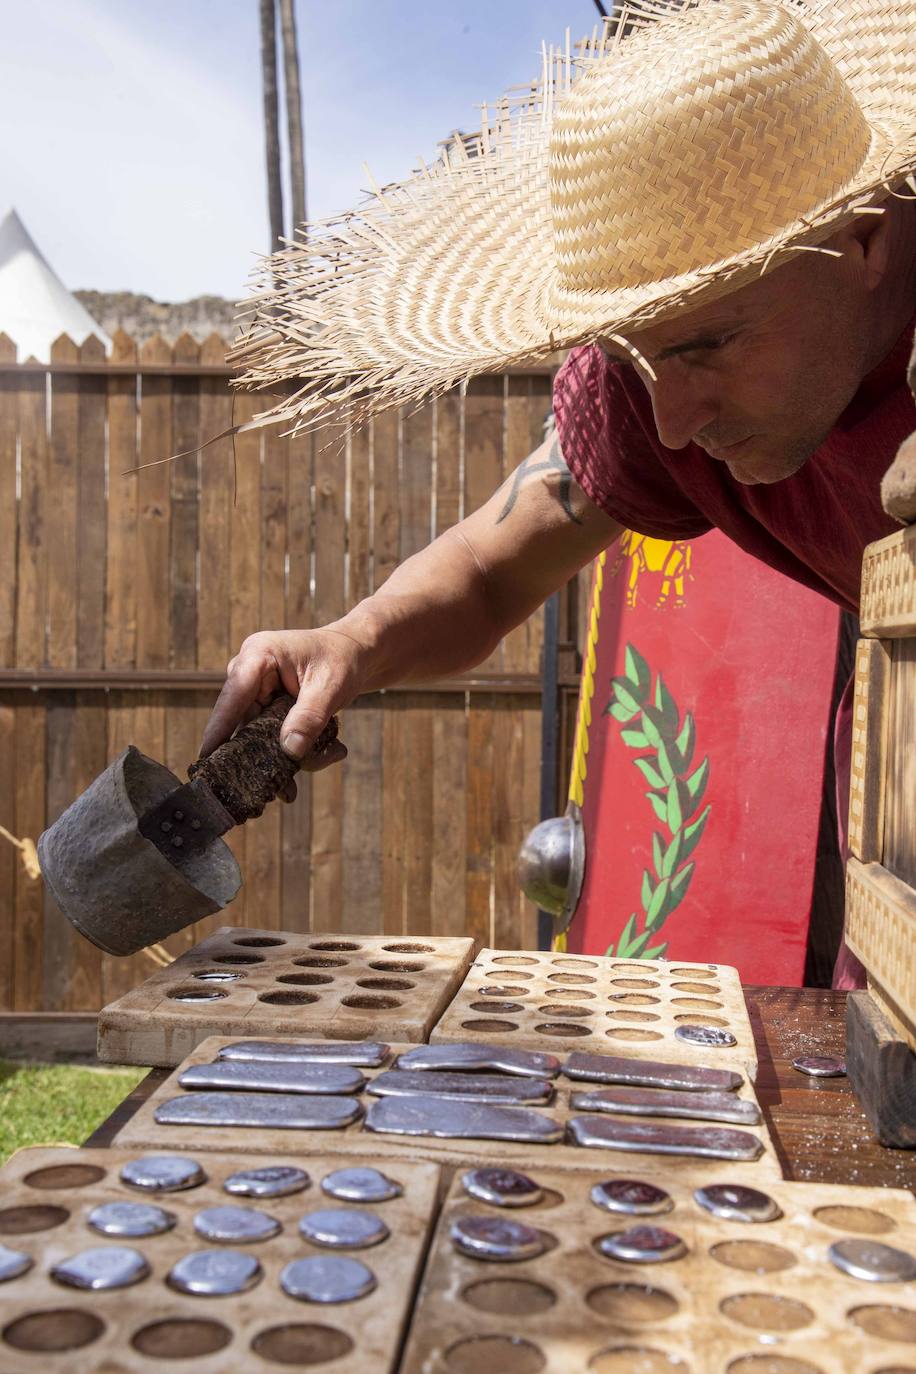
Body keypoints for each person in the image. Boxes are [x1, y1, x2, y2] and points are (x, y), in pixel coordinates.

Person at [200, 0, 916, 987]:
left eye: (710, 344)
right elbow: (493, 569)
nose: (669, 424)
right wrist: (354, 643)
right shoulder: (652, 397)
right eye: (633, 355)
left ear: (865, 237)